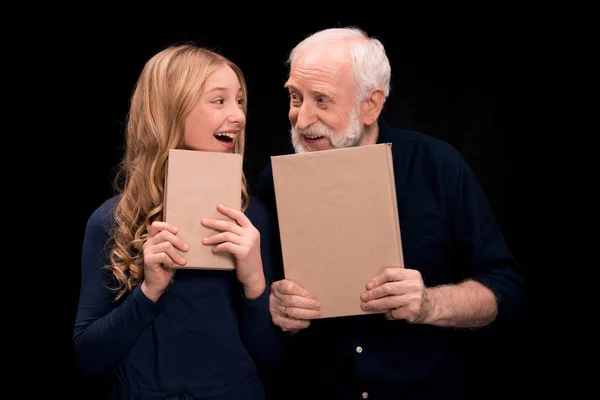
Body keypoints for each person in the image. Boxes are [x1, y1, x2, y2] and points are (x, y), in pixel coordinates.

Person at [256, 27, 526, 399]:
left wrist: (431, 304)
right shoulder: (274, 180)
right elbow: (256, 299)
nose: (300, 120)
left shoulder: (439, 166)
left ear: (371, 104)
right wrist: (275, 307)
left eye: (321, 100)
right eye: (295, 97)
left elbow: (505, 288)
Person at [73, 43, 283, 399]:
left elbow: (269, 358)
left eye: (240, 101)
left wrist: (254, 281)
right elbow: (90, 357)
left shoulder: (252, 218)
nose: (239, 116)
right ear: (170, 111)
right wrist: (149, 291)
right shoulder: (112, 221)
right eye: (219, 101)